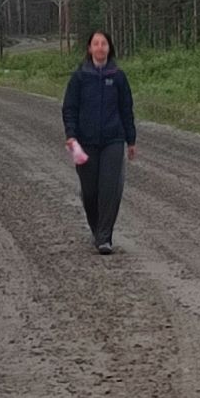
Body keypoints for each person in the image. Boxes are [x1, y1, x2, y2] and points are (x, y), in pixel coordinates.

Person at [61, 29, 137, 254]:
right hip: (86, 142)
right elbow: (69, 108)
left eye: (104, 43)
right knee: (90, 192)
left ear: (109, 48)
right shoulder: (79, 77)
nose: (100, 47)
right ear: (89, 48)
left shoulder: (118, 76)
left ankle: (105, 237)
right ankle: (97, 229)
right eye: (96, 43)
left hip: (114, 140)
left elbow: (126, 109)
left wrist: (131, 140)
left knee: (109, 189)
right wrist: (71, 135)